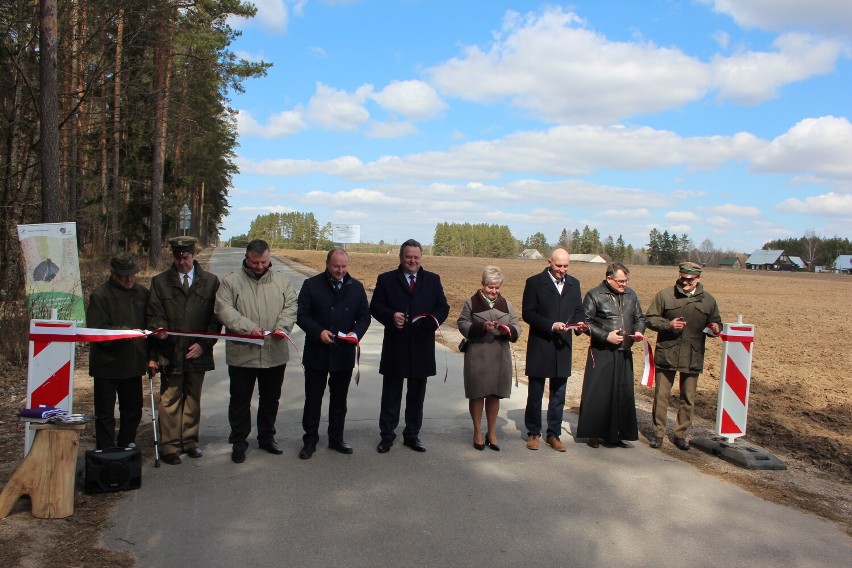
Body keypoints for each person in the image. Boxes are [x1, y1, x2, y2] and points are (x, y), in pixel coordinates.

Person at [214, 239, 297, 463]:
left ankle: (267, 437)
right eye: (254, 262)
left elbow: (291, 306)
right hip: (243, 353)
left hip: (274, 352)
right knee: (240, 400)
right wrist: (249, 327)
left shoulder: (282, 281)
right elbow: (224, 310)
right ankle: (239, 440)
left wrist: (281, 328)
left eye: (263, 262)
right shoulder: (231, 282)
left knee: (270, 398)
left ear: (269, 258)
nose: (259, 266)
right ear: (247, 258)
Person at [370, 239, 449, 454]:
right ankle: (387, 436)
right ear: (401, 257)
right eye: (408, 256)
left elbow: (443, 307)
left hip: (422, 346)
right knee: (391, 395)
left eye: (416, 257)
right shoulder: (386, 280)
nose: (412, 260)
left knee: (416, 395)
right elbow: (375, 306)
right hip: (396, 346)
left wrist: (433, 320)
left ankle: (412, 435)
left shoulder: (432, 280)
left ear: (420, 257)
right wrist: (390, 316)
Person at [147, 236, 220, 465]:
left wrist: (204, 344)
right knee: (169, 399)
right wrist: (160, 331)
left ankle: (189, 441)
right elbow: (154, 312)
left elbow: (216, 318)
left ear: (194, 255)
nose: (181, 262)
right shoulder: (160, 282)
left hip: (197, 351)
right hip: (170, 350)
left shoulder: (210, 281)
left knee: (192, 397)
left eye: (185, 257)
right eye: (177, 257)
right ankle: (169, 446)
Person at [296, 248, 370, 459]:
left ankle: (336, 438)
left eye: (344, 266)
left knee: (339, 400)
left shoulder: (356, 287)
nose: (340, 270)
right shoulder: (311, 285)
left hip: (343, 352)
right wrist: (318, 332)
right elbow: (301, 315)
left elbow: (365, 316)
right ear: (327, 264)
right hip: (317, 353)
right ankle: (310, 440)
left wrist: (355, 334)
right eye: (336, 266)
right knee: (313, 399)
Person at [645, 261, 722, 451]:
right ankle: (658, 434)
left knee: (688, 398)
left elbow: (716, 323)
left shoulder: (708, 301)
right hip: (668, 352)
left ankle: (680, 435)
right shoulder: (664, 295)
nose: (685, 282)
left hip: (692, 355)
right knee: (661, 396)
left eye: (689, 279)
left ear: (698, 279)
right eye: (682, 278)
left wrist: (716, 328)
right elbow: (649, 319)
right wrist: (668, 325)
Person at [521, 248, 586, 452]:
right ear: (550, 262)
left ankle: (554, 434)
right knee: (536, 392)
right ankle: (533, 433)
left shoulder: (574, 284)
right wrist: (551, 325)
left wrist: (579, 325)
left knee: (559, 394)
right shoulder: (534, 283)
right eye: (558, 266)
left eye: (566, 266)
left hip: (562, 347)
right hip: (541, 345)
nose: (562, 270)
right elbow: (528, 313)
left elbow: (578, 311)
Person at [576, 263, 645, 448]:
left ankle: (617, 434)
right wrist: (606, 336)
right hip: (602, 351)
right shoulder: (594, 295)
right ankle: (593, 433)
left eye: (626, 281)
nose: (624, 284)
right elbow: (584, 323)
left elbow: (640, 318)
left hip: (624, 351)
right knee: (599, 394)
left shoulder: (631, 295)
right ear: (609, 279)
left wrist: (638, 331)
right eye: (621, 281)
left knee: (622, 394)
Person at [87, 253, 149, 450]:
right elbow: (96, 330)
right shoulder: (100, 295)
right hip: (106, 364)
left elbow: (151, 321)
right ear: (113, 274)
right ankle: (105, 449)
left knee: (132, 408)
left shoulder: (142, 293)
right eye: (123, 276)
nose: (128, 279)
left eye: (131, 275)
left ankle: (126, 444)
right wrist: (126, 333)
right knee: (105, 412)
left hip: (133, 362)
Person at [457, 265, 521, 451]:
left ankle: (491, 432)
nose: (494, 291)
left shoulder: (507, 304)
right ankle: (477, 431)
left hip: (500, 355)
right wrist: (481, 327)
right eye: (490, 287)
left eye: (497, 287)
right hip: (477, 354)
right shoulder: (471, 303)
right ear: (483, 284)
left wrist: (509, 331)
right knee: (477, 393)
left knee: (494, 394)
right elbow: (462, 323)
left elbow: (517, 325)